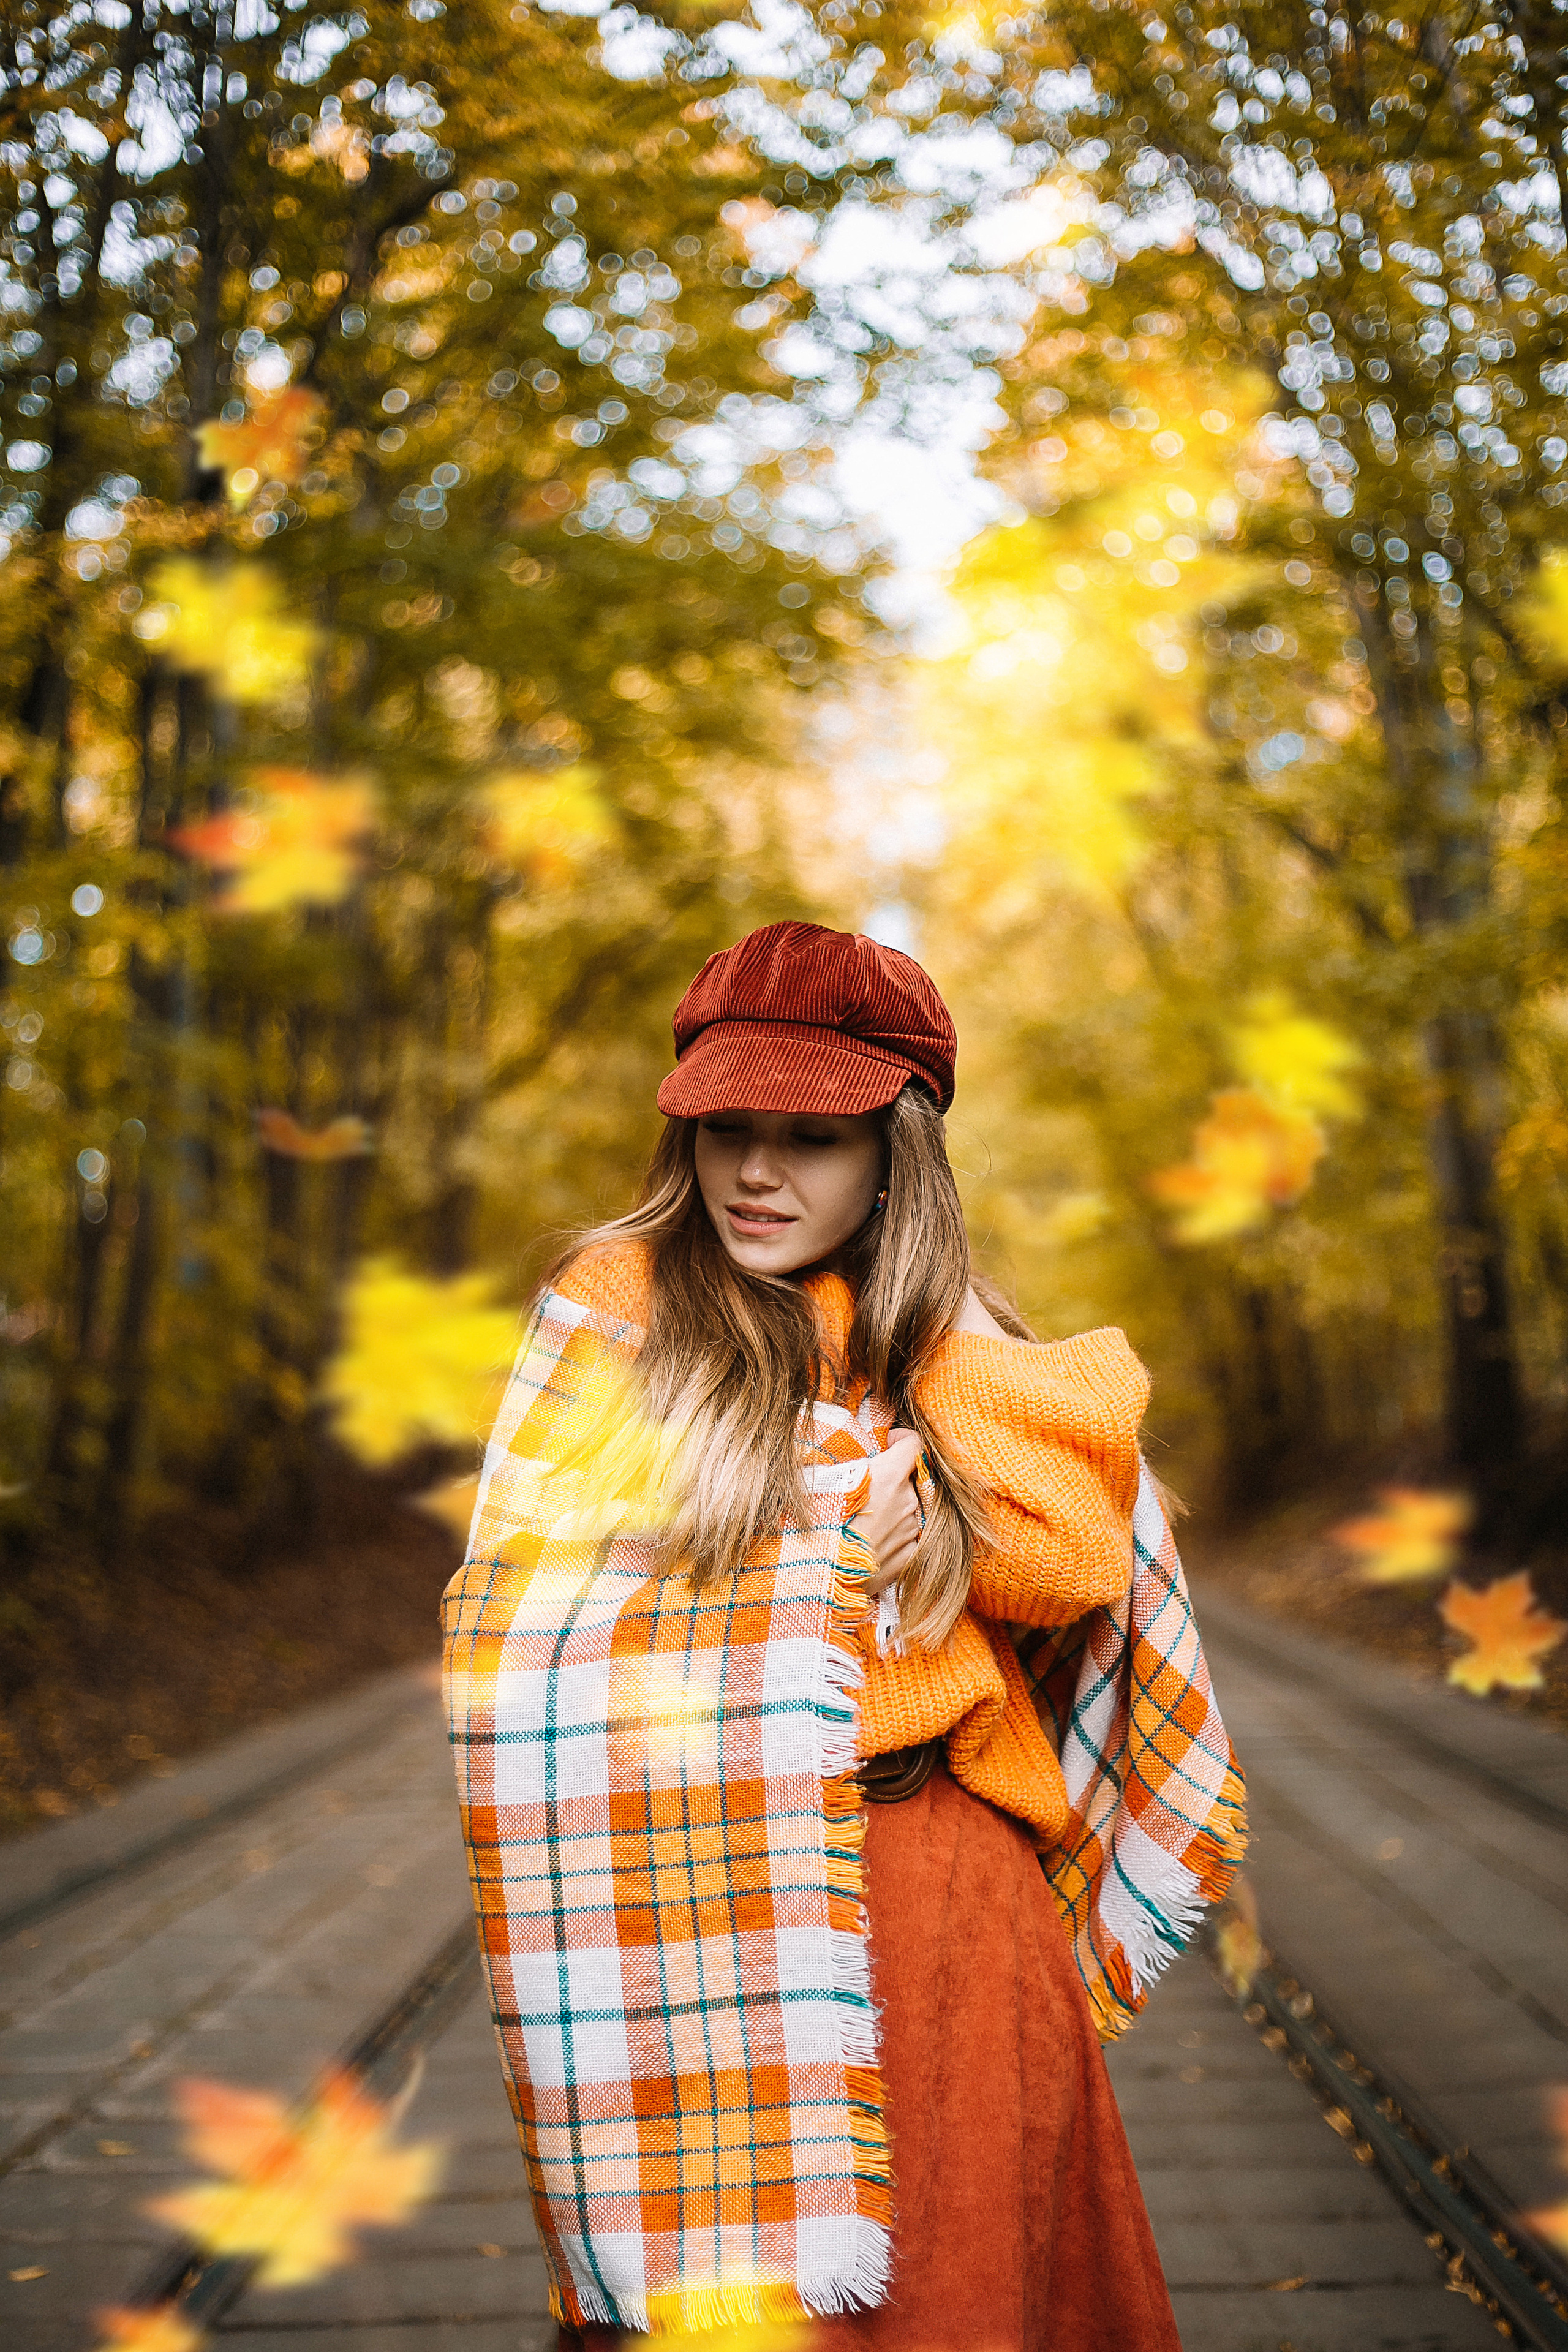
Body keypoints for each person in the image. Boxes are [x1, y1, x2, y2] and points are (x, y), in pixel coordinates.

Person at [443, 921, 1246, 2350]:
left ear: (895, 1151)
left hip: (943, 1893)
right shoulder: (614, 1313)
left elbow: (1074, 1562)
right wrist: (816, 1556)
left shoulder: (957, 1341)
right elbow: (525, 1638)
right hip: (695, 1895)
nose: (756, 1172)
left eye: (810, 1135)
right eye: (724, 1127)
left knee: (959, 2297)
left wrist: (934, 1496)